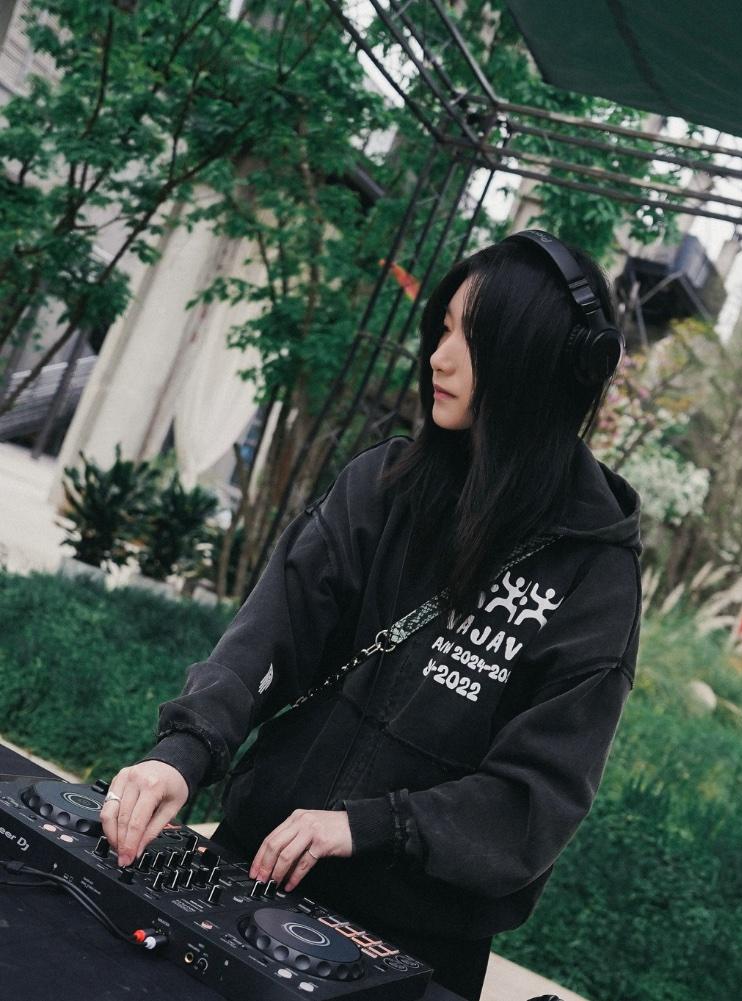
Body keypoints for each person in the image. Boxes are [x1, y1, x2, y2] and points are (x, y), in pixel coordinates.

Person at [100, 231, 642, 1001]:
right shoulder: (385, 483)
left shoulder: (595, 575)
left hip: (411, 942)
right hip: (252, 871)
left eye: (469, 339)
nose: (438, 358)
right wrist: (182, 751)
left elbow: (532, 802)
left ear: (536, 362)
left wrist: (369, 825)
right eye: (441, 329)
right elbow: (272, 633)